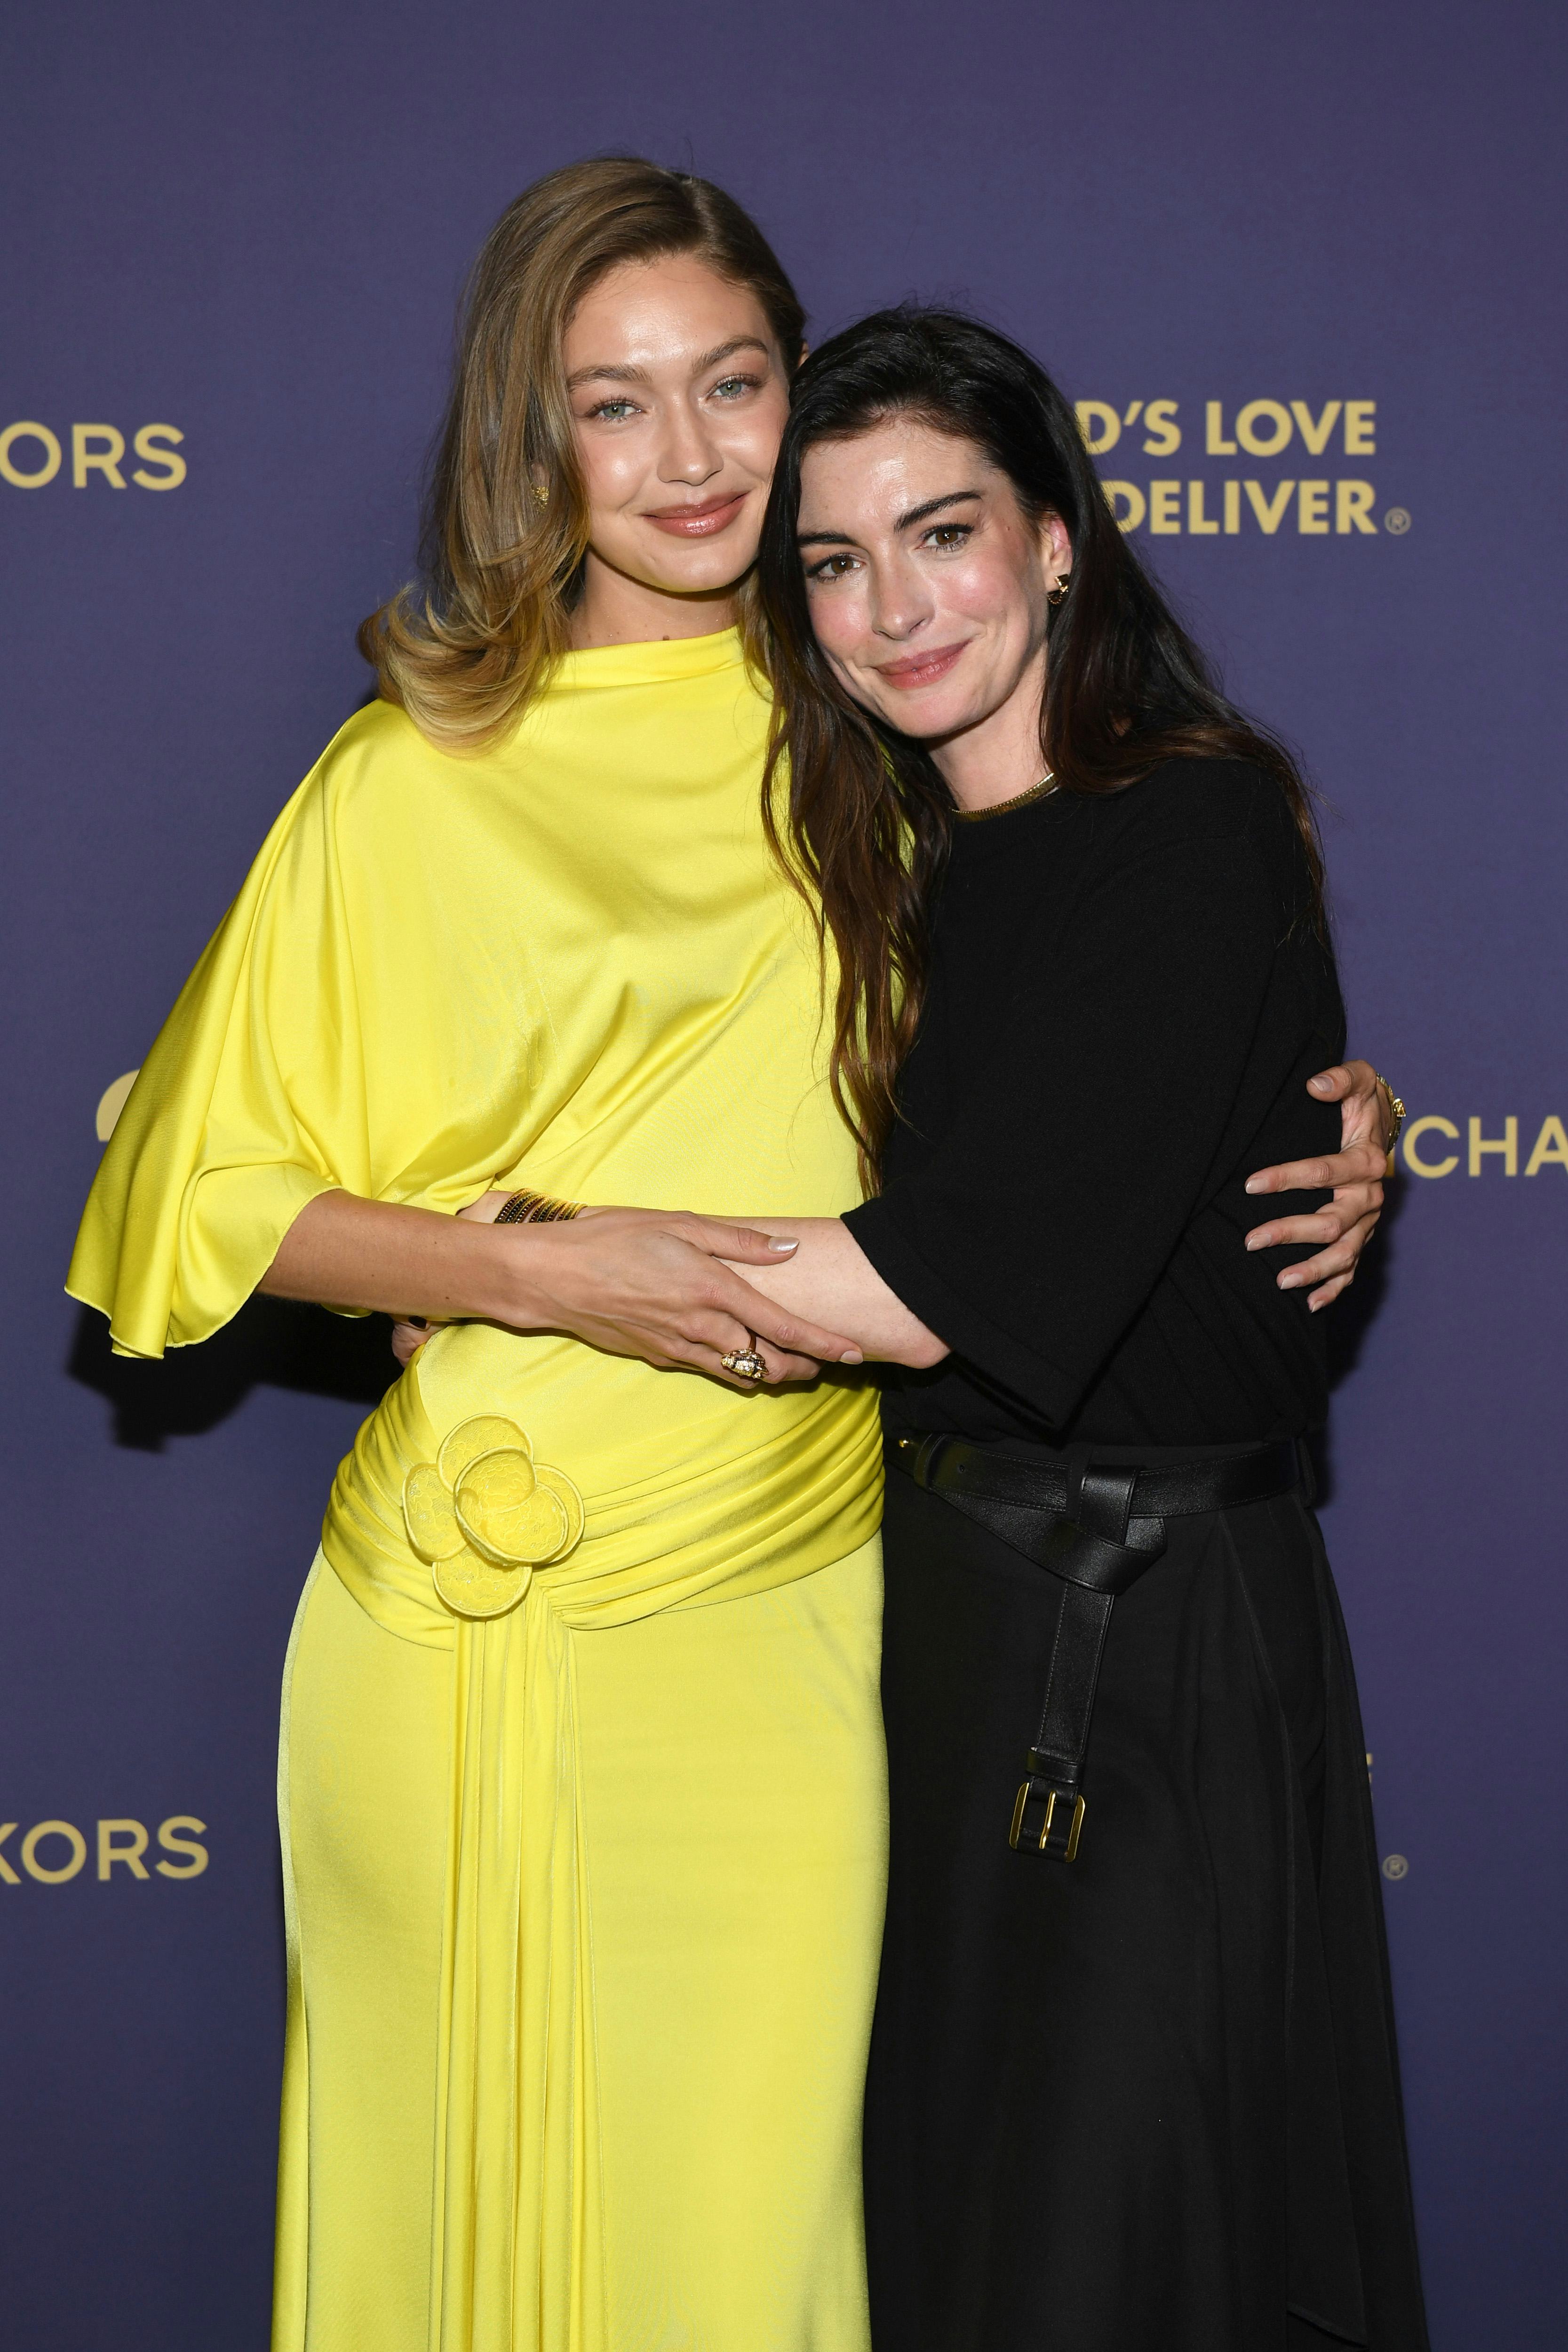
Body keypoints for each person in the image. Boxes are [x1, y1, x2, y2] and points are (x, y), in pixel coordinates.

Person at [69, 157, 1390, 2352]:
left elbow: (1089, 1007)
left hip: (804, 1611)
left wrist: (1312, 1102)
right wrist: (533, 1267)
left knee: (762, 2246)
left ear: (801, 396)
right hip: (472, 1612)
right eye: (615, 402)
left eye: (736, 383)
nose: (687, 456)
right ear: (537, 435)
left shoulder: (874, 732)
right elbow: (173, 1166)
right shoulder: (418, 769)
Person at [724, 307, 1428, 2350]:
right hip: (942, 1625)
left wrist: (520, 1265)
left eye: (942, 532)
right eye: (835, 561)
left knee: (1124, 2254)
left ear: (1056, 540)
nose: (893, 608)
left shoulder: (1190, 826)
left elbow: (921, 1285)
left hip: (1145, 1648)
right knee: (964, 2240)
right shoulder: (890, 868)